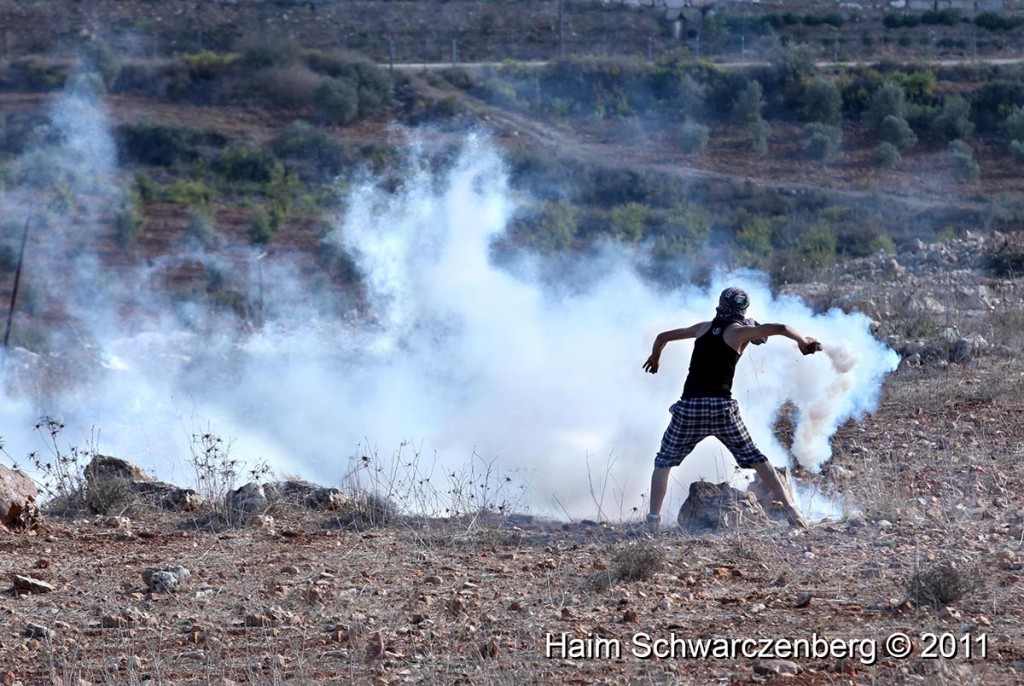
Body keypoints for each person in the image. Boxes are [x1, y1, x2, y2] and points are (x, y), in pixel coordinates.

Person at [642, 286, 821, 532]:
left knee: (663, 463)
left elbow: (662, 336)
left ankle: (652, 522)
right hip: (722, 409)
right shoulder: (740, 332)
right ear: (743, 309)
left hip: (690, 408)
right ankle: (793, 510)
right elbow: (780, 328)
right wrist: (804, 341)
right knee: (757, 459)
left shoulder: (703, 328)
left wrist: (655, 358)